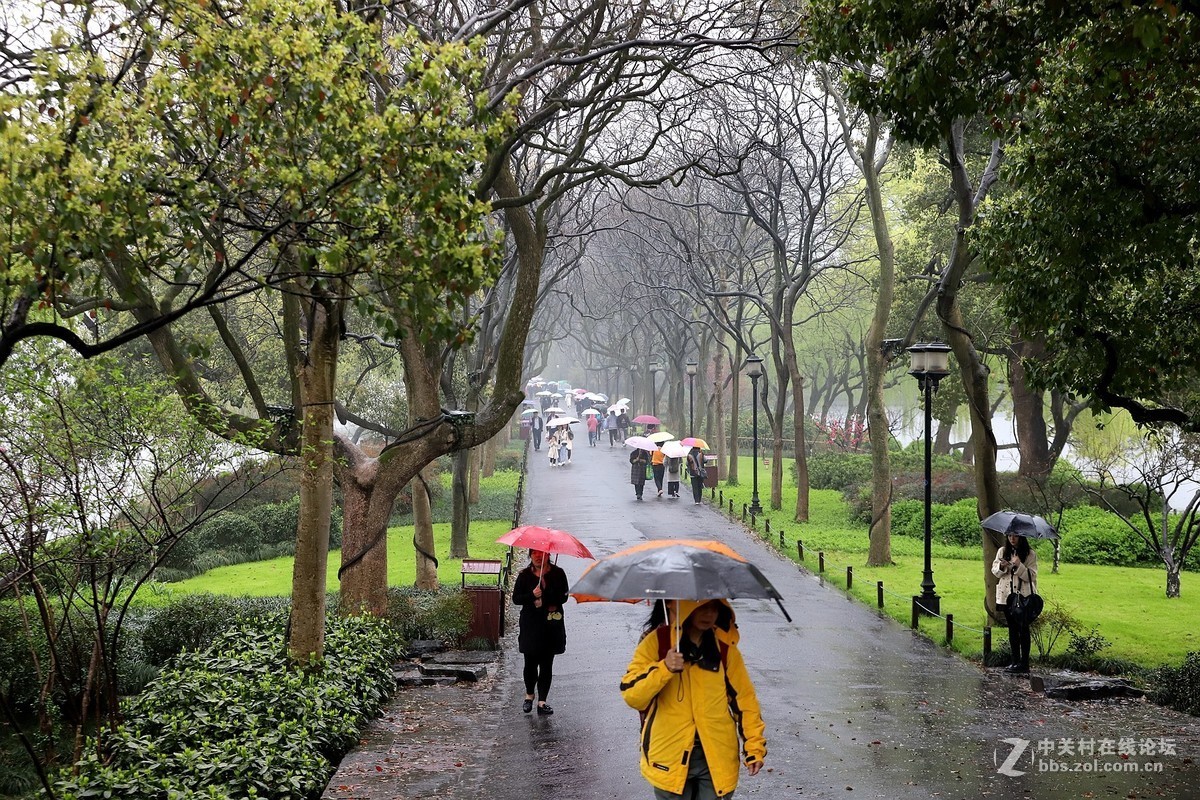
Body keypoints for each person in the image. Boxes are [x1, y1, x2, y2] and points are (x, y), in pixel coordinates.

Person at [621, 599, 766, 800]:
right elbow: (632, 695)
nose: (709, 614)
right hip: (668, 754)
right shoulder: (657, 643)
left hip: (716, 756)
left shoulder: (725, 650)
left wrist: (754, 747)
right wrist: (664, 668)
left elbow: (745, 702)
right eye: (702, 607)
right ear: (685, 606)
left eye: (714, 609)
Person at [512, 550, 569, 715]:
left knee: (546, 663)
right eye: (535, 553)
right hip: (531, 625)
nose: (538, 556)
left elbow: (563, 596)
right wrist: (532, 596)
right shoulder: (525, 575)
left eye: (542, 553)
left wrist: (545, 598)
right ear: (530, 556)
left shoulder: (558, 573)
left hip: (551, 625)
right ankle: (529, 695)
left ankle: (542, 702)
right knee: (530, 662)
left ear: (548, 554)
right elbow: (516, 598)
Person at [992, 533, 1038, 673]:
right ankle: (1014, 661)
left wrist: (1019, 565)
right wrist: (1002, 565)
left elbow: (1032, 575)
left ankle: (1024, 663)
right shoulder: (1002, 551)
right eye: (1010, 536)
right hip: (1007, 595)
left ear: (1022, 537)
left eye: (1016, 536)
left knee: (1023, 628)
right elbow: (995, 571)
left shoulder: (1030, 554)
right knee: (1012, 628)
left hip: (1023, 596)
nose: (1012, 539)